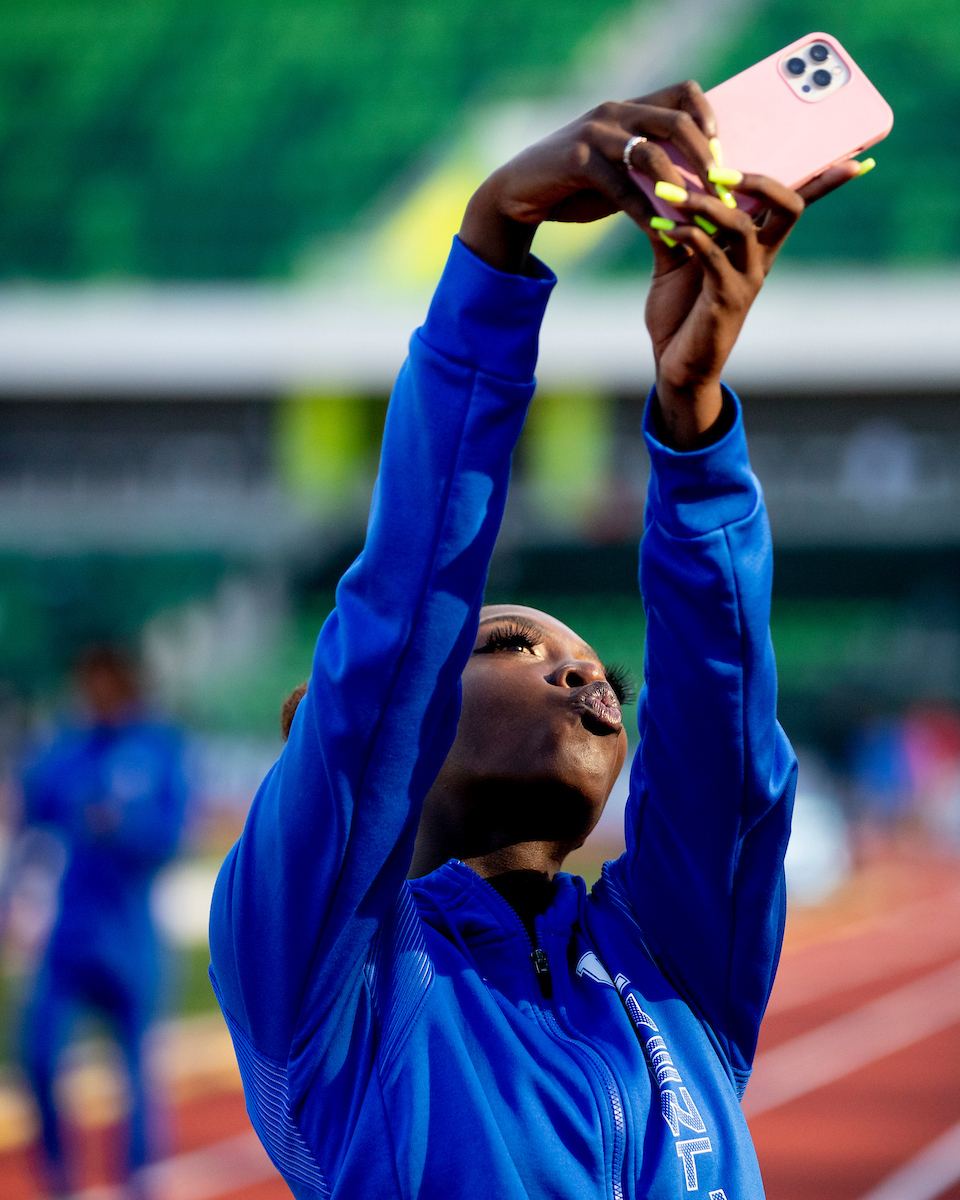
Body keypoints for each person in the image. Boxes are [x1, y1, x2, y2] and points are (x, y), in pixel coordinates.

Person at [210, 82, 864, 1199]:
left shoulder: (672, 967)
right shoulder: (331, 992)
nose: (582, 673)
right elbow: (394, 638)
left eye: (598, 673)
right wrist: (495, 242)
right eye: (511, 643)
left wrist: (692, 407)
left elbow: (724, 740)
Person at [19, 645, 187, 1197]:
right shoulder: (66, 749)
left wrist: (121, 829)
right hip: (69, 936)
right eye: (85, 682)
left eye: (103, 681)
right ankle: (58, 1180)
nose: (93, 693)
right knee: (38, 1056)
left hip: (130, 936)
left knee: (136, 1076)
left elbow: (171, 837)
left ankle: (139, 1182)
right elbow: (28, 817)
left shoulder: (159, 747)